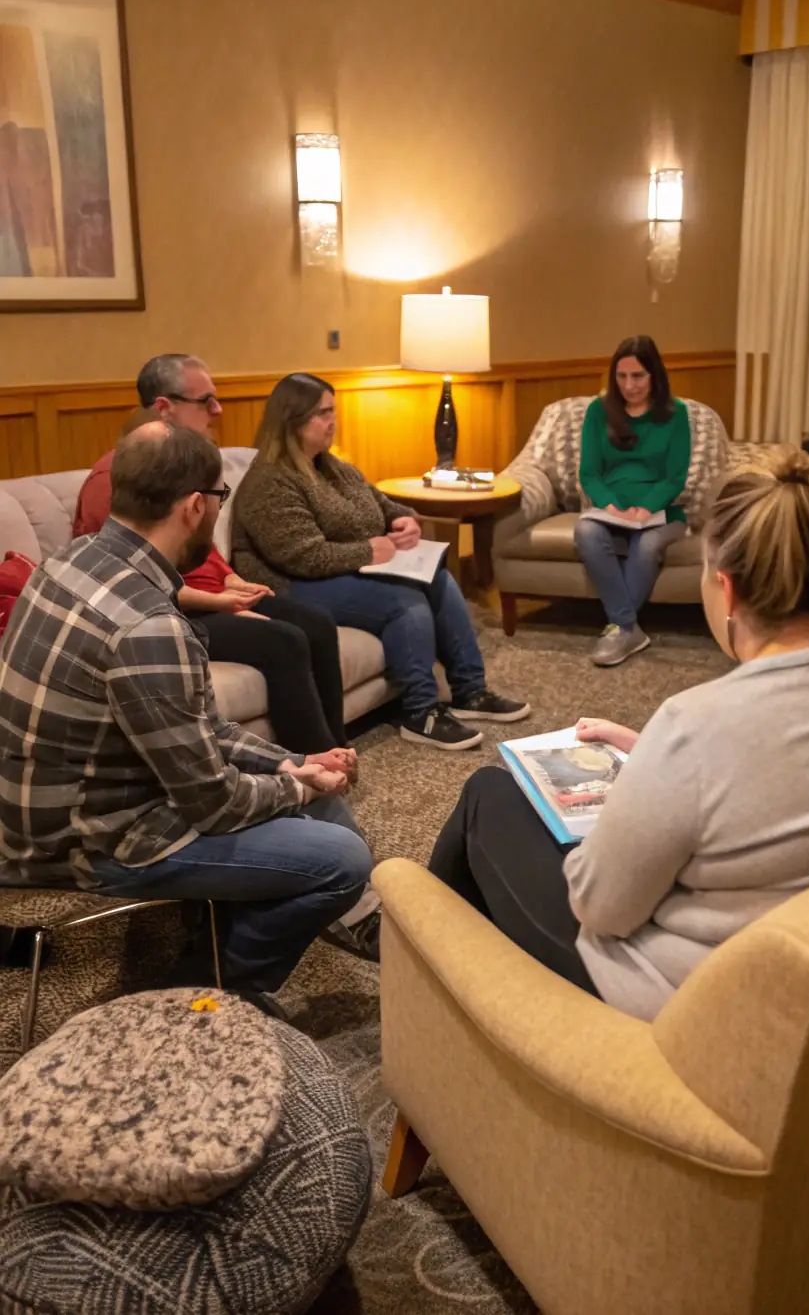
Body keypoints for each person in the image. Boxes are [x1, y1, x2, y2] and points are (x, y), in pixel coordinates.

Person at [428, 448, 809, 1021]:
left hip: (702, 1010)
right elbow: (802, 766)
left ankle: (436, 986)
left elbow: (600, 909)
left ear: (727, 591)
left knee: (488, 794)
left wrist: (616, 818)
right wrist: (654, 758)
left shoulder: (697, 723)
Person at [0, 422, 378, 1005]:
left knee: (309, 783)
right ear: (196, 505)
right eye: (218, 499)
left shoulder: (73, 559)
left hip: (50, 809)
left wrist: (294, 764)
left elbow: (199, 728)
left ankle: (340, 913)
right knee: (343, 858)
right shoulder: (151, 628)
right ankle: (202, 986)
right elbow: (216, 802)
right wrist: (297, 788)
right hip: (84, 844)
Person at [231, 373, 530, 751]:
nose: (333, 421)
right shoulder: (270, 481)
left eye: (333, 411)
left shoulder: (331, 465)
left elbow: (382, 505)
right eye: (323, 413)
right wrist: (370, 551)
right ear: (294, 419)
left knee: (437, 577)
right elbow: (301, 556)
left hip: (347, 570)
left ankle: (470, 690)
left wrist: (402, 520)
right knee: (404, 601)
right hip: (291, 587)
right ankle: (420, 713)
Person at [74, 353, 350, 755]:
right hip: (170, 611)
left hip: (211, 597)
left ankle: (337, 748)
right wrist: (221, 603)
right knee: (284, 641)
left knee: (317, 623)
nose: (218, 411)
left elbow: (204, 552)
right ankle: (314, 762)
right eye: (206, 401)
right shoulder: (117, 479)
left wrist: (234, 582)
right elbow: (127, 585)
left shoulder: (183, 470)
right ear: (165, 408)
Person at [575, 336, 693, 667]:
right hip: (609, 510)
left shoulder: (676, 413)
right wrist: (611, 505)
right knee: (586, 532)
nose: (630, 385)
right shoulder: (599, 411)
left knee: (646, 546)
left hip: (661, 512)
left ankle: (620, 628)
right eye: (622, 376)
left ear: (654, 374)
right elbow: (589, 474)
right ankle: (628, 627)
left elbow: (674, 477)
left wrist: (647, 508)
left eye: (638, 376)